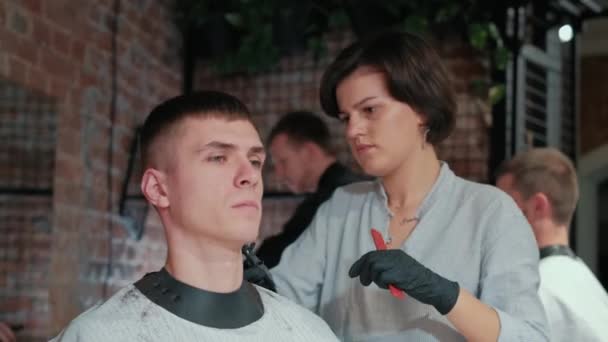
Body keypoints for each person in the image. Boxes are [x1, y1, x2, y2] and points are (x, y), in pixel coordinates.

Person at [269, 31, 549, 341]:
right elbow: (282, 302)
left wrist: (444, 294)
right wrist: (250, 288)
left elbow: (530, 337)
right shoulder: (341, 207)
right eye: (346, 117)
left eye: (370, 110)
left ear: (422, 109)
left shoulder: (490, 213)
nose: (353, 130)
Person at [50, 91, 339, 341]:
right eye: (218, 158)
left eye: (254, 161)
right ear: (158, 188)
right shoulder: (98, 336)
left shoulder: (311, 334)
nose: (249, 175)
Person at [496, 147, 608, 342]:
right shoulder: (592, 288)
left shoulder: (533, 290)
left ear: (538, 206)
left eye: (504, 204)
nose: (496, 219)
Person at [256, 111, 366, 268]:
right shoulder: (349, 187)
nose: (279, 174)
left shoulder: (334, 197)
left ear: (309, 151)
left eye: (283, 161)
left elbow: (282, 253)